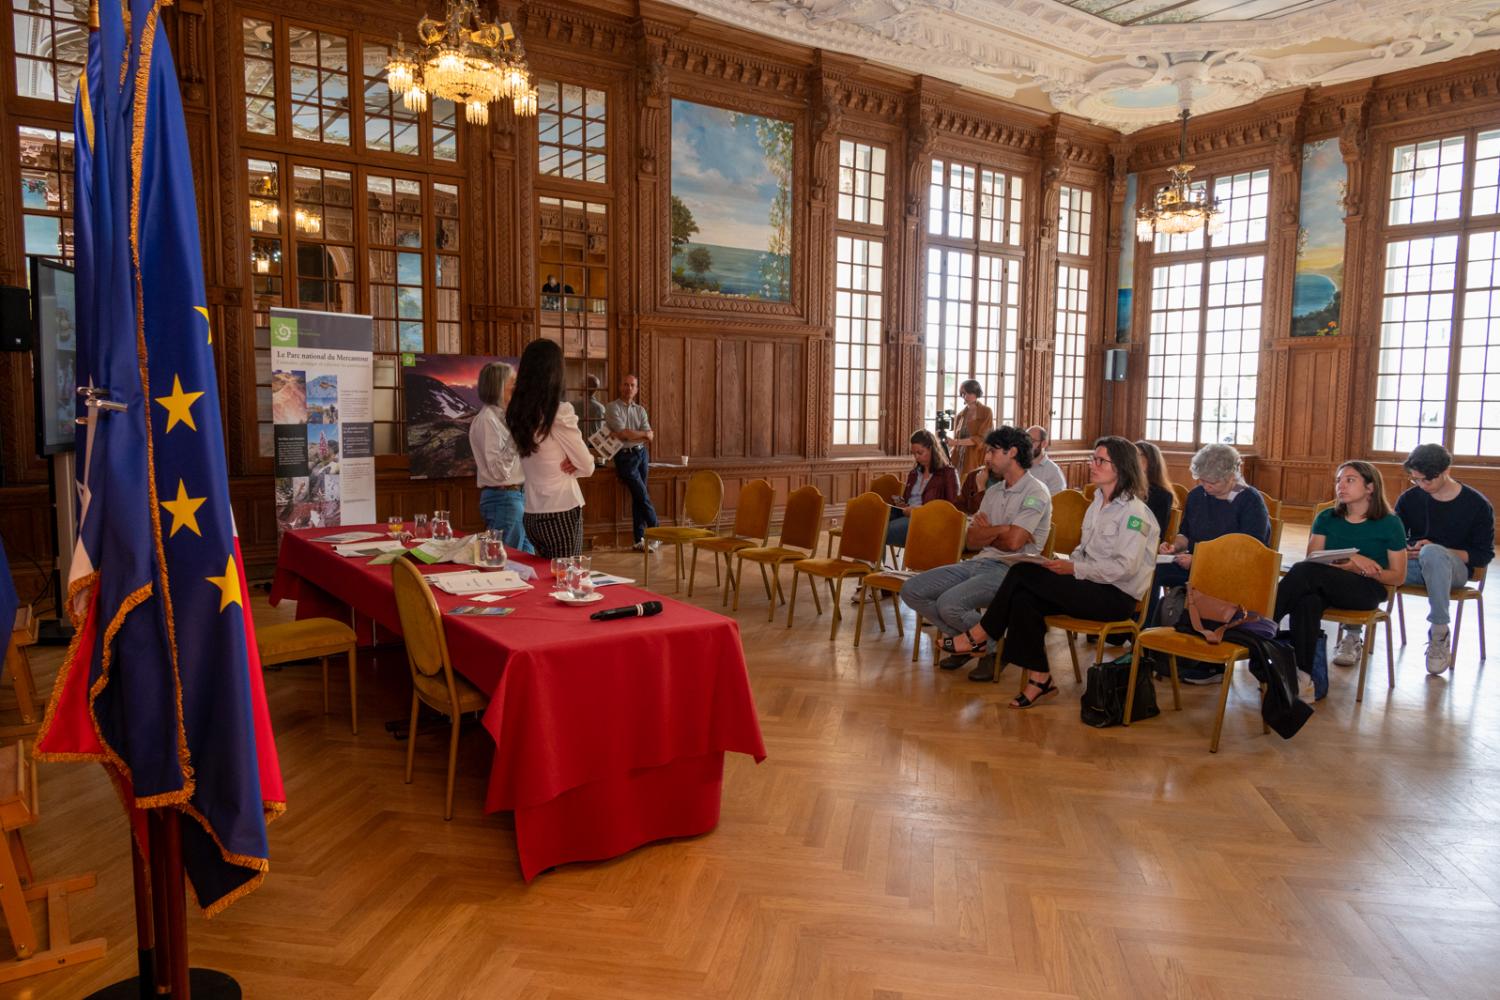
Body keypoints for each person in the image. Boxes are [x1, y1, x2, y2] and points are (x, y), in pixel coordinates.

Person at [941, 436, 1159, 701]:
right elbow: (1084, 550)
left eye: (1101, 460)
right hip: (1090, 585)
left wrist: (1074, 568)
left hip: (1117, 597)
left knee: (1021, 572)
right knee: (1024, 598)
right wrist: (1064, 563)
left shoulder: (1135, 513)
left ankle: (979, 634)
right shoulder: (1097, 503)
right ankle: (1040, 679)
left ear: (1121, 467)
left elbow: (1125, 568)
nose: (1093, 464)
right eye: (1093, 458)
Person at [900, 426, 1052, 679]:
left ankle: (990, 649)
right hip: (981, 561)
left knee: (949, 603)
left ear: (1012, 452)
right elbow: (971, 540)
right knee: (912, 590)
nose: (987, 458)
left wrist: (991, 533)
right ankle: (979, 643)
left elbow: (1014, 544)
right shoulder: (993, 492)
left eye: (992, 451)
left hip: (1013, 570)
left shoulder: (1036, 491)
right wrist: (1002, 529)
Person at [1274, 461, 1407, 699]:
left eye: (1350, 480)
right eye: (1338, 480)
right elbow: (1312, 560)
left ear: (1370, 488)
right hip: (1324, 583)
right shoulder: (1327, 517)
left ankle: (1262, 623)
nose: (1341, 486)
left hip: (1367, 589)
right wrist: (1352, 557)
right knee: (1307, 602)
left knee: (1303, 572)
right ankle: (1304, 678)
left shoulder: (1390, 523)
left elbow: (1397, 576)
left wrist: (1359, 569)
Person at [1151, 442, 1270, 682]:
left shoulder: (1249, 501)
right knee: (1151, 571)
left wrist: (1201, 561)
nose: (1205, 486)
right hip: (1191, 563)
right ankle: (1147, 641)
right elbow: (1187, 533)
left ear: (1230, 476)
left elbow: (1249, 552)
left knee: (1203, 583)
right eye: (1201, 480)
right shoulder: (1197, 496)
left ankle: (1207, 661)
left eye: (1211, 482)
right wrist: (1175, 546)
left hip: (1229, 573)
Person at [1393, 443, 1495, 674]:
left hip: (1455, 571)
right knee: (1372, 561)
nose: (1421, 485)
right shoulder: (1410, 499)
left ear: (1446, 471)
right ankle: (1353, 634)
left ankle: (1439, 633)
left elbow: (1483, 555)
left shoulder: (1477, 505)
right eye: (1415, 479)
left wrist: (1440, 550)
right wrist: (1408, 547)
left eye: (1426, 480)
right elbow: (1395, 537)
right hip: (1414, 566)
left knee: (1433, 553)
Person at [506, 339, 595, 558]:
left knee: (548, 583)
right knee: (565, 583)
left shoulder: (518, 412)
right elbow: (588, 466)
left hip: (532, 513)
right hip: (561, 510)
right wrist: (576, 464)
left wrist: (574, 463)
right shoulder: (559, 412)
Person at [469, 361, 534, 554]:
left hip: (518, 496)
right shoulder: (487, 420)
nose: (517, 385)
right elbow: (499, 472)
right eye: (512, 380)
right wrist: (516, 433)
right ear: (498, 385)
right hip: (504, 498)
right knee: (506, 562)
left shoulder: (503, 417)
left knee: (526, 560)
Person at [605, 373, 660, 552]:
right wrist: (642, 434)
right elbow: (624, 433)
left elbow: (648, 436)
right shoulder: (612, 407)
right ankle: (658, 531)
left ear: (636, 389)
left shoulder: (640, 410)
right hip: (625, 457)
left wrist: (636, 434)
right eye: (626, 384)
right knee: (642, 494)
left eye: (632, 385)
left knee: (638, 497)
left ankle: (639, 540)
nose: (629, 388)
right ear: (620, 386)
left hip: (642, 455)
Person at [887, 429, 959, 548]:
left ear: (931, 449)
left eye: (920, 453)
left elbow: (953, 507)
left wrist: (918, 511)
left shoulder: (947, 473)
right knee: (875, 521)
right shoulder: (914, 473)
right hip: (908, 515)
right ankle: (871, 564)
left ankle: (872, 563)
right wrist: (902, 504)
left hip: (927, 521)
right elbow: (907, 499)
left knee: (882, 530)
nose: (916, 457)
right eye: (914, 453)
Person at [949, 380, 994, 481]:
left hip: (976, 457)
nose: (966, 396)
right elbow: (956, 439)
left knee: (971, 485)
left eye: (969, 393)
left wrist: (956, 442)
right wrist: (951, 444)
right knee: (957, 487)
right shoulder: (960, 415)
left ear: (976, 392)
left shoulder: (986, 412)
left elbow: (982, 439)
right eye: (963, 393)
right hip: (958, 457)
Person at [1134, 440, 1175, 538]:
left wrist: (1130, 523)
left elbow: (1156, 532)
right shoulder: (1122, 488)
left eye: (1138, 455)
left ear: (1151, 461)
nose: (1131, 459)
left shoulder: (1162, 495)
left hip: (1143, 546)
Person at [1025, 425, 1068, 495]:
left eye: (1032, 441)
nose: (1027, 445)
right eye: (1026, 441)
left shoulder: (1053, 471)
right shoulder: (1018, 466)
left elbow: (1056, 501)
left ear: (1044, 444)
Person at [579, 373, 606, 442]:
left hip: (576, 445)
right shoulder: (600, 408)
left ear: (583, 387)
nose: (579, 386)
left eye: (581, 385)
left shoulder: (572, 406)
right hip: (594, 447)